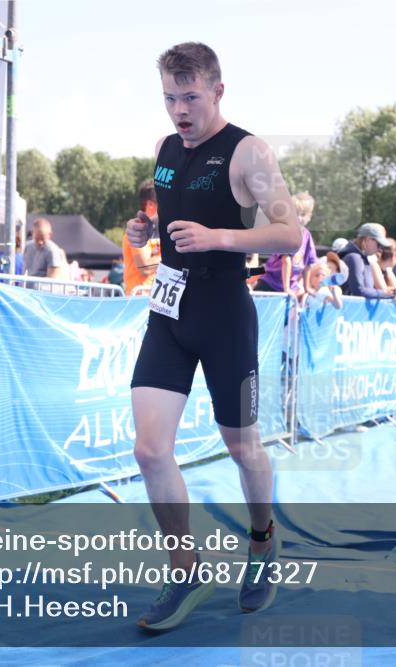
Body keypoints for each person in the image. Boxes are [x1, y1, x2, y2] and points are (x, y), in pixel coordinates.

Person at [124, 42, 302, 630]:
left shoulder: (248, 150)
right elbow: (174, 212)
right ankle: (186, 568)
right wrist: (144, 228)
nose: (179, 109)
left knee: (243, 446)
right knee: (149, 450)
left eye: (190, 97)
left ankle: (262, 540)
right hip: (170, 311)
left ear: (217, 91)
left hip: (225, 313)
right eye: (170, 98)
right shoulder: (164, 149)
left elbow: (289, 235)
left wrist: (220, 238)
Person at [253, 191, 317, 297]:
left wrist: (307, 288)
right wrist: (286, 288)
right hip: (270, 284)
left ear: (309, 216)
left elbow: (309, 264)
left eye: (303, 215)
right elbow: (286, 261)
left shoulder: (307, 236)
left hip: (289, 287)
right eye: (295, 214)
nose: (299, 218)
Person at [123, 179, 162, 295]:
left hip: (156, 299)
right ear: (150, 205)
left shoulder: (162, 229)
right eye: (163, 202)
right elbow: (145, 267)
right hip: (139, 300)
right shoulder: (139, 229)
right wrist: (173, 255)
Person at [338, 223, 396, 299]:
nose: (380, 249)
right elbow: (359, 291)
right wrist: (385, 293)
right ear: (367, 240)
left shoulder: (362, 258)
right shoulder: (354, 258)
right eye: (379, 244)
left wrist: (390, 292)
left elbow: (366, 290)